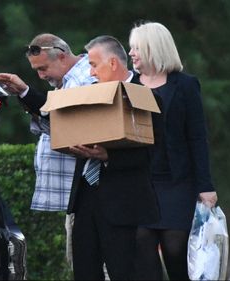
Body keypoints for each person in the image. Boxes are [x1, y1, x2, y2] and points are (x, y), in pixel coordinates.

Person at [0, 33, 97, 265]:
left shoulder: (84, 77)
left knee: (91, 263)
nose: (41, 75)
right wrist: (24, 93)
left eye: (43, 68)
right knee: (81, 262)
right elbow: (53, 117)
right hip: (78, 193)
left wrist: (26, 92)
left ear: (61, 56)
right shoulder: (67, 81)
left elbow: (62, 120)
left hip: (90, 190)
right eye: (36, 70)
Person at [128, 21, 218, 280]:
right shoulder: (129, 84)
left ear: (154, 48)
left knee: (175, 247)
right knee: (142, 243)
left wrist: (206, 185)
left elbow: (197, 137)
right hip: (141, 182)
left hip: (178, 182)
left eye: (137, 48)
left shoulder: (186, 85)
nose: (131, 53)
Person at [66, 35, 160, 280]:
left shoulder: (146, 97)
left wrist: (109, 156)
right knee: (85, 271)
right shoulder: (88, 97)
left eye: (94, 65)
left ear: (113, 64)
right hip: (86, 198)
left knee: (125, 271)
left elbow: (155, 153)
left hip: (124, 203)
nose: (91, 72)